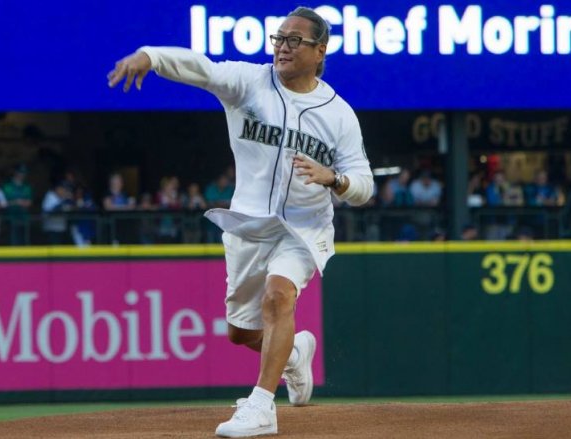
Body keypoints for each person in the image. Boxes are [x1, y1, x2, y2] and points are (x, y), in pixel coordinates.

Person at [108, 7, 374, 438]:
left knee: (278, 298)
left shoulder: (339, 114)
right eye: (279, 38)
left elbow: (364, 184)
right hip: (250, 226)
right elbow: (203, 69)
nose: (283, 47)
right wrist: (152, 56)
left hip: (304, 227)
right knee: (240, 332)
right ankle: (293, 355)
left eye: (294, 41)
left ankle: (262, 407)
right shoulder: (250, 82)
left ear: (320, 50)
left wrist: (336, 179)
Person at [2, 164, 33, 245]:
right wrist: (17, 202)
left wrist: (18, 202)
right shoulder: (7, 186)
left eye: (23, 173)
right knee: (13, 240)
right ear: (15, 173)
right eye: (20, 172)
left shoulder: (26, 187)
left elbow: (29, 202)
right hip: (10, 217)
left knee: (25, 240)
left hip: (24, 217)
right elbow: (3, 202)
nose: (22, 175)